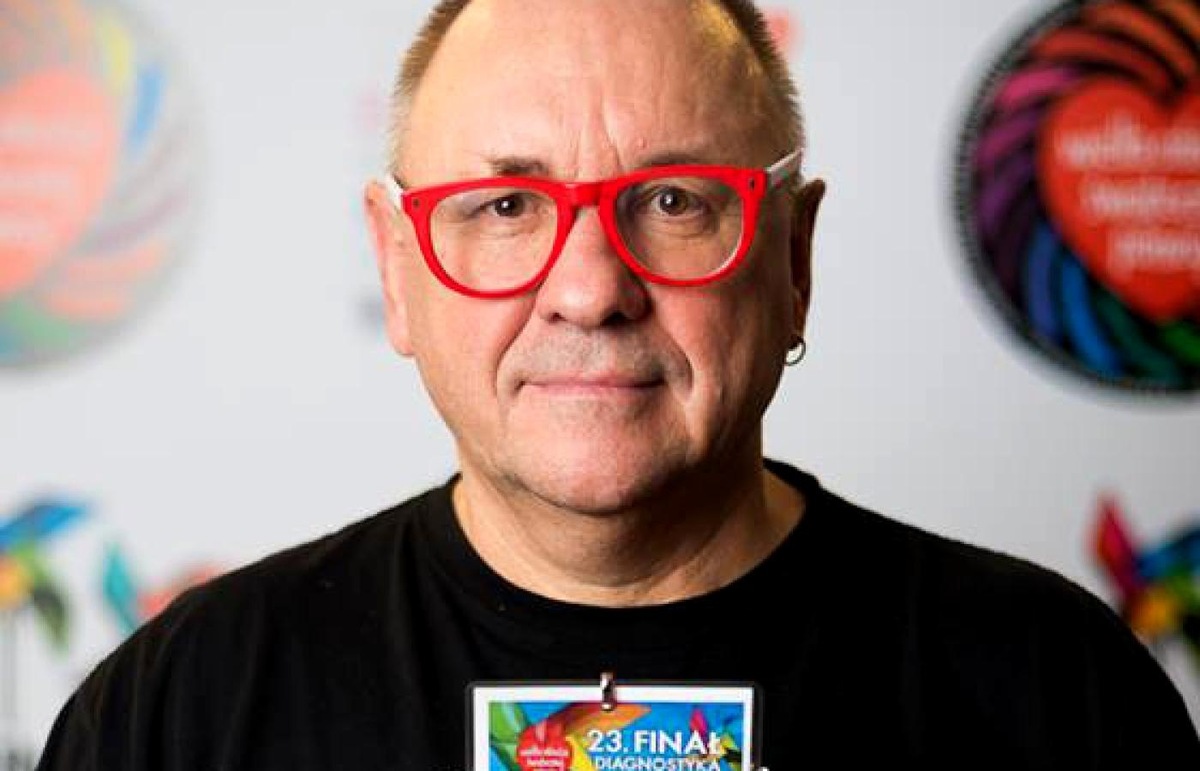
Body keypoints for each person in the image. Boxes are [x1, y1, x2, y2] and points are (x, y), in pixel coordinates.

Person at [37, 0, 1199, 768]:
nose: (590, 290)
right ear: (397, 270)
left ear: (794, 261)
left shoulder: (1058, 693)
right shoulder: (179, 711)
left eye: (676, 202)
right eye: (506, 206)